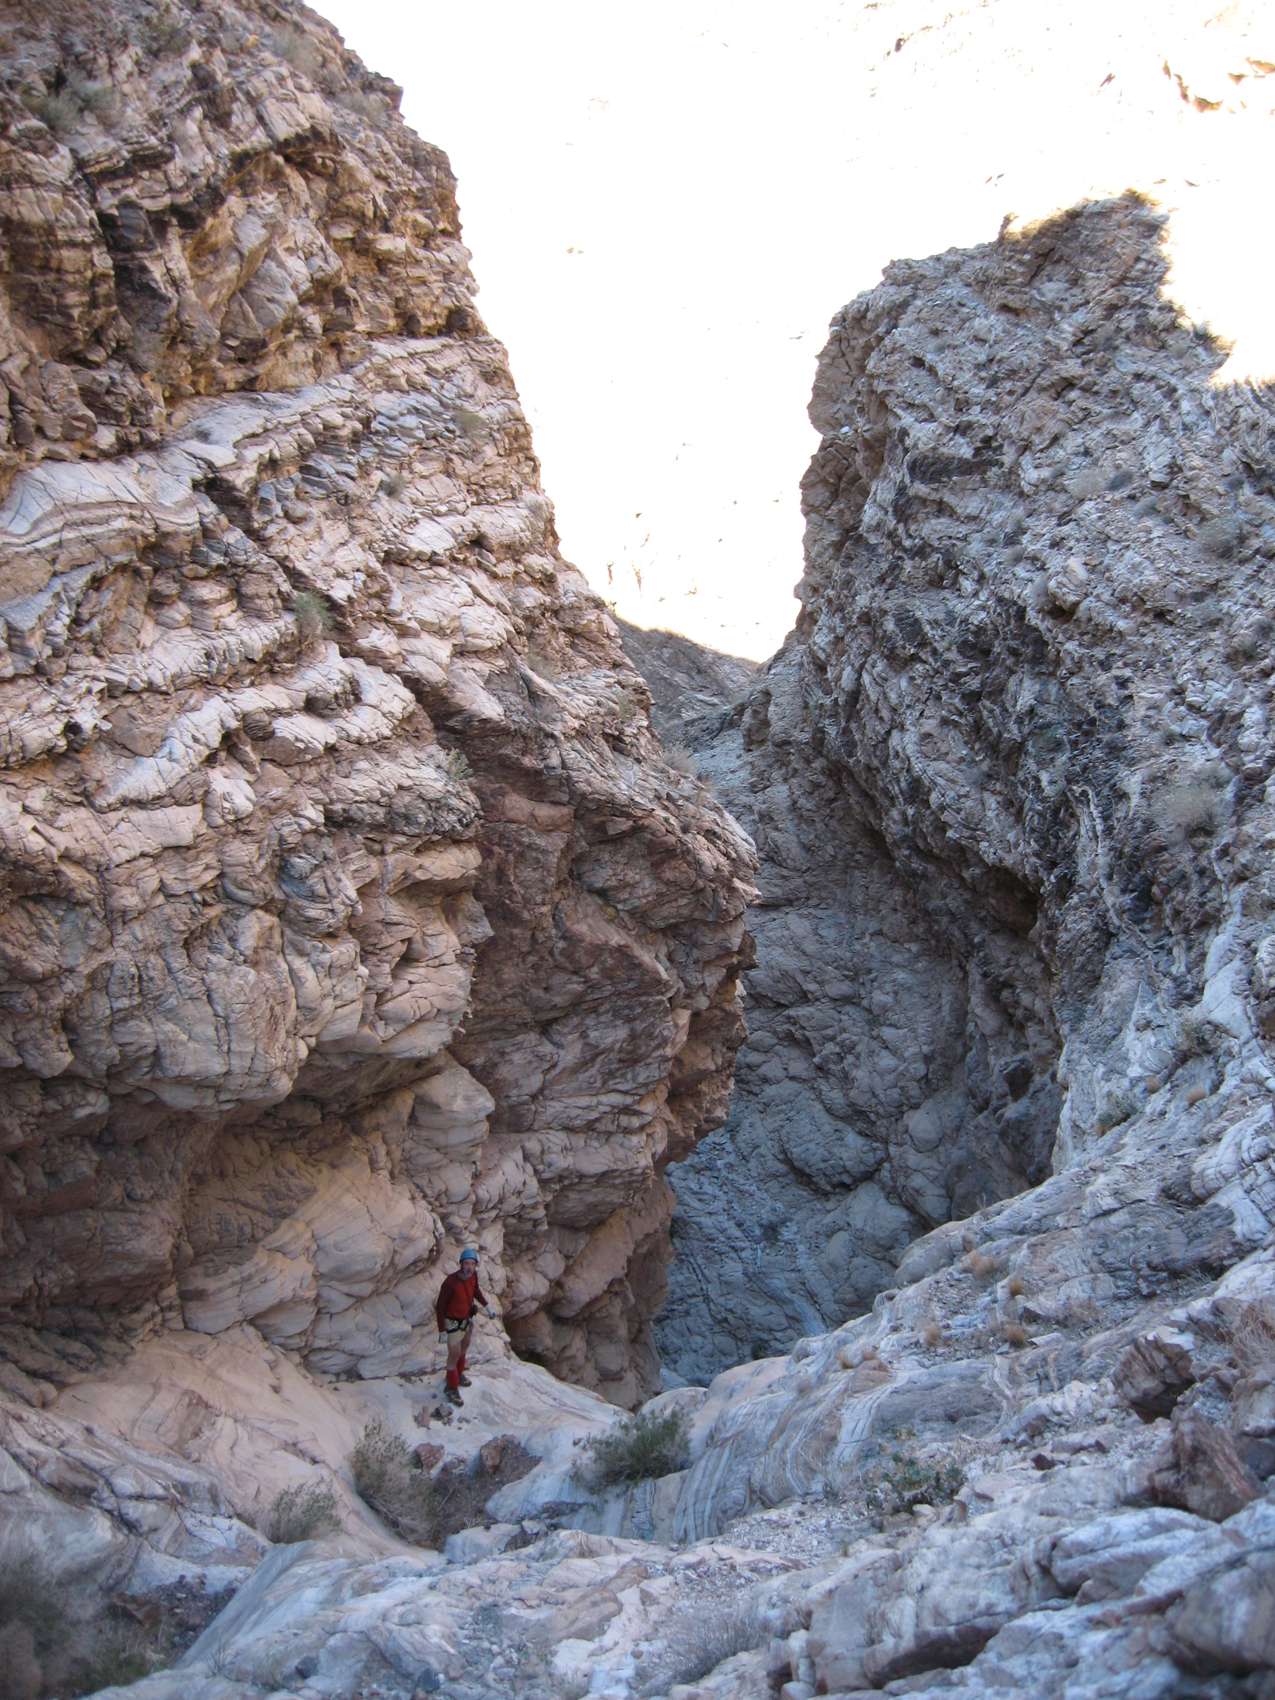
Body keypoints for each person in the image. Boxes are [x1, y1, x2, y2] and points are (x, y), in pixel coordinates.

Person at [435, 1248, 495, 1407]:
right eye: (466, 1263)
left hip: (466, 1320)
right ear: (461, 1264)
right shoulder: (450, 1282)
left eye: (472, 1264)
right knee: (454, 1354)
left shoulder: (473, 1276)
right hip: (453, 1323)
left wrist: (487, 1306)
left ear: (476, 1265)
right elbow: (440, 1307)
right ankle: (451, 1387)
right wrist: (442, 1330)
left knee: (464, 1349)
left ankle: (458, 1374)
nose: (469, 1267)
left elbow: (476, 1291)